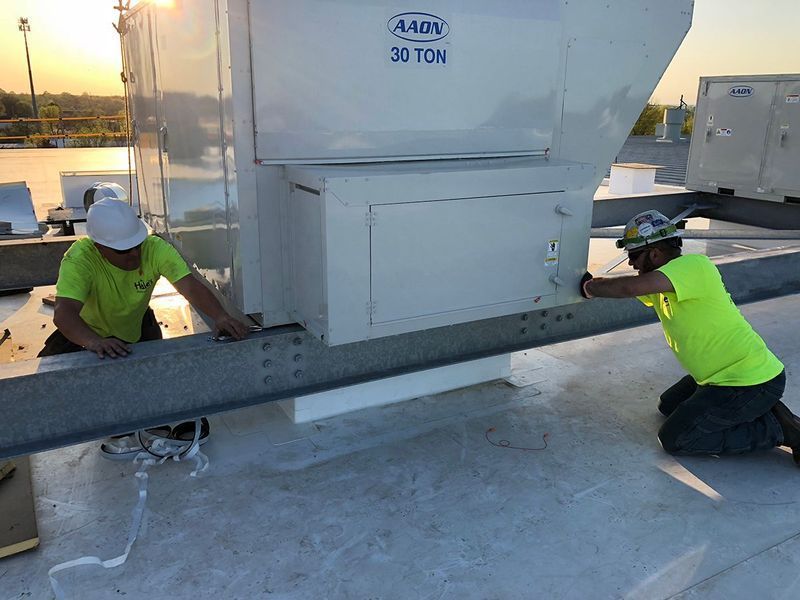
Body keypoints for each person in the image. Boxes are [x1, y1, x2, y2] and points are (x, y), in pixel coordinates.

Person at [38, 187, 250, 458]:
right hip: (85, 333)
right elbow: (64, 314)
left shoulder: (154, 248)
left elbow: (190, 286)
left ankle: (152, 424)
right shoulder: (80, 259)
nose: (134, 256)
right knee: (47, 394)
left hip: (137, 326)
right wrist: (94, 342)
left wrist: (220, 316)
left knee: (149, 385)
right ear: (99, 246)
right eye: (123, 251)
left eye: (136, 246)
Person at [580, 209, 798, 465]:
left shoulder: (693, 266)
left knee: (678, 438)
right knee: (669, 405)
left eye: (634, 256)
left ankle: (780, 430)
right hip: (716, 378)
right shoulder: (663, 284)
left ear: (655, 253)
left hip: (747, 380)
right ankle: (768, 410)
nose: (631, 264)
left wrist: (589, 287)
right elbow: (626, 289)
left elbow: (628, 286)